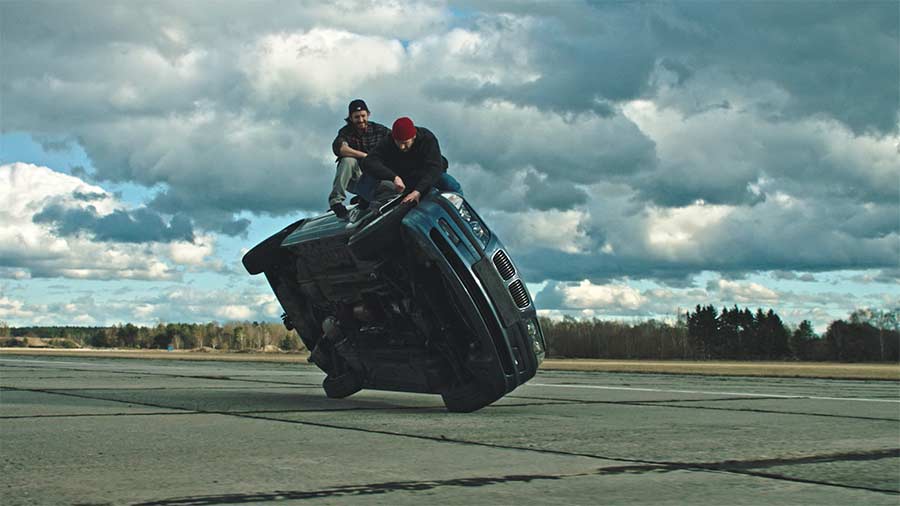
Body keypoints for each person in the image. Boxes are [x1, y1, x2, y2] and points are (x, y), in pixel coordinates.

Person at [360, 117, 462, 206]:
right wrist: (393, 177)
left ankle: (463, 214)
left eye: (405, 143)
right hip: (404, 178)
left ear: (414, 137)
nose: (402, 147)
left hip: (425, 174)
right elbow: (369, 161)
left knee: (450, 184)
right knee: (366, 180)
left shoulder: (427, 138)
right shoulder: (388, 141)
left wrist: (418, 191)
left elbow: (435, 167)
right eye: (398, 143)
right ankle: (369, 206)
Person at [329, 99, 391, 218]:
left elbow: (398, 142)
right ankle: (336, 202)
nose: (361, 120)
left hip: (377, 179)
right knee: (348, 160)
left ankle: (366, 199)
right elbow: (340, 148)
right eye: (357, 117)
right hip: (355, 179)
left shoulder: (380, 130)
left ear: (368, 114)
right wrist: (365, 156)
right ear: (351, 118)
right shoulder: (346, 132)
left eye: (363, 116)